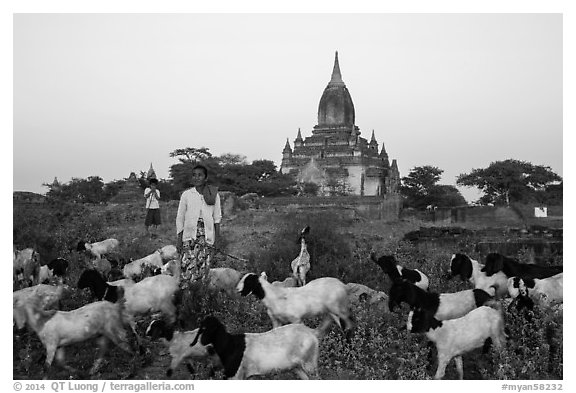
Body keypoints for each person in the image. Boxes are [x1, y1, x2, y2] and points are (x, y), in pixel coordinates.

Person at [176, 165, 222, 285]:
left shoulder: (214, 195)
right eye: (194, 175)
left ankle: (198, 298)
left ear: (206, 178)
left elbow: (217, 218)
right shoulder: (187, 195)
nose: (197, 178)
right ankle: (186, 299)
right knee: (187, 270)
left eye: (200, 175)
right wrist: (179, 239)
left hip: (206, 238)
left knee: (203, 270)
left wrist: (217, 240)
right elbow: (180, 218)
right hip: (189, 236)